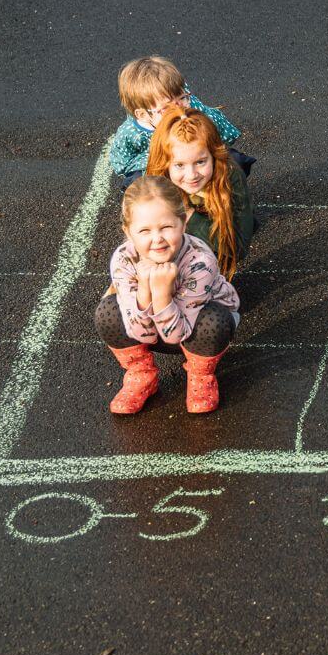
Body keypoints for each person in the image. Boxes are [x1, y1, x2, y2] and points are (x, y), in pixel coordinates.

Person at [95, 176, 240, 415]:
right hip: (148, 329)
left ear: (183, 223)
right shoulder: (123, 259)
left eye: (166, 227)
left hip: (194, 328)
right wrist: (144, 288)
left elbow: (176, 335)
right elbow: (142, 333)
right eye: (144, 230)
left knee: (215, 320)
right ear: (128, 232)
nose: (157, 239)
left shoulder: (200, 261)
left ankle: (201, 376)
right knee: (107, 311)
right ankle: (141, 375)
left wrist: (161, 294)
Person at [146, 107, 257, 280]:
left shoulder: (230, 176)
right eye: (179, 165)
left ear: (214, 156)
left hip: (211, 240)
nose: (191, 175)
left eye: (200, 162)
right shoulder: (158, 179)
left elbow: (239, 248)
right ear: (165, 164)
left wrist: (187, 214)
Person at [107, 55, 250, 186]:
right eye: (166, 108)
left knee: (233, 161)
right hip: (161, 169)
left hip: (197, 159)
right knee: (141, 184)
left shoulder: (192, 106)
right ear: (143, 115)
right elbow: (121, 163)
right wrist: (158, 162)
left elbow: (224, 134)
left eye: (182, 98)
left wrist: (203, 125)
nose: (178, 108)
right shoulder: (132, 133)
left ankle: (225, 198)